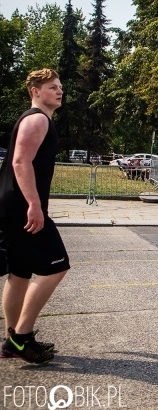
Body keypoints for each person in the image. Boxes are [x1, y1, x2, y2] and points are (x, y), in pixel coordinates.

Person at [0, 69, 69, 364]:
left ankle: (10, 339)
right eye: (52, 87)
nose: (59, 91)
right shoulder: (38, 118)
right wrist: (34, 204)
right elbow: (20, 161)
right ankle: (22, 337)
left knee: (19, 274)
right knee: (56, 266)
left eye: (60, 87)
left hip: (12, 205)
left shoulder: (37, 118)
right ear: (35, 91)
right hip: (21, 206)